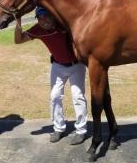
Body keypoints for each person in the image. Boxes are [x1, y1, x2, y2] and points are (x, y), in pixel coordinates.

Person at [14, 7, 88, 145]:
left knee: (78, 96)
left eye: (46, 16)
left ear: (53, 16)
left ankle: (81, 130)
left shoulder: (65, 25)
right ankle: (59, 128)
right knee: (55, 96)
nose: (43, 21)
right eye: (40, 18)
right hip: (58, 66)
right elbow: (19, 40)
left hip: (76, 65)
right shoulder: (38, 29)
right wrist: (18, 21)